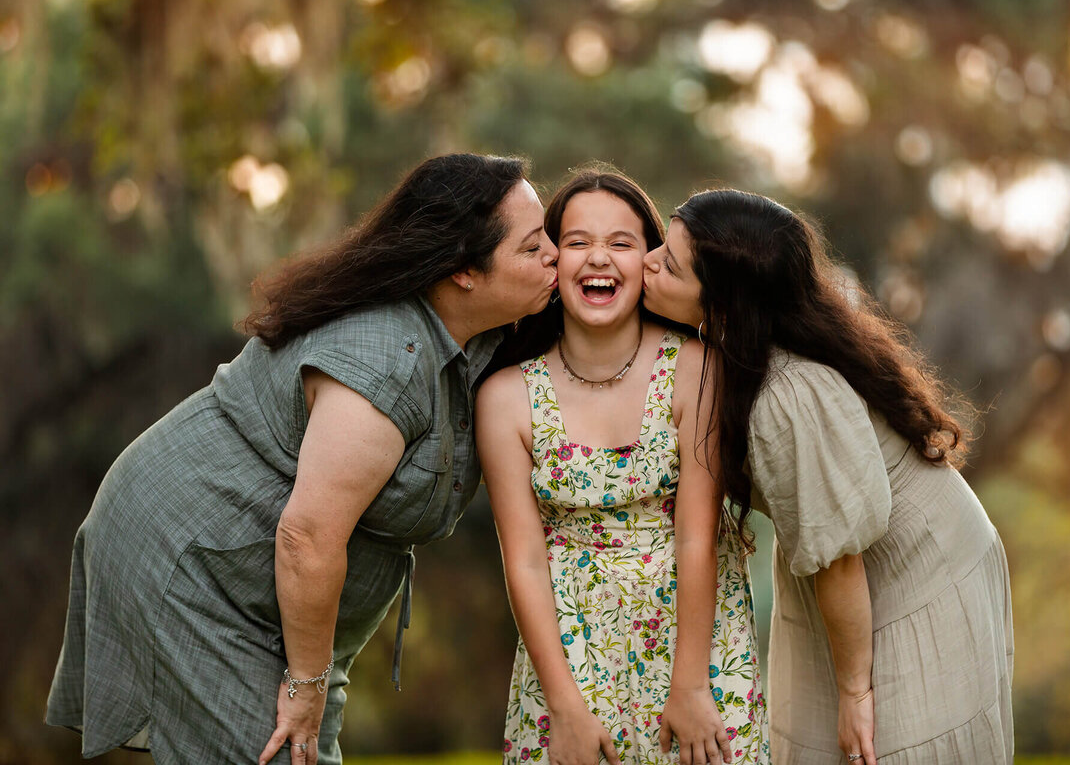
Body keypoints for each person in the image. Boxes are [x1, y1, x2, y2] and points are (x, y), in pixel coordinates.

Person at [45, 153, 559, 765]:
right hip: (196, 567)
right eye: (533, 249)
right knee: (276, 748)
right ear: (462, 271)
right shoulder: (384, 360)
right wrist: (306, 684)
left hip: (271, 593)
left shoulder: (475, 338)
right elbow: (307, 538)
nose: (556, 254)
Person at [642, 188, 1014, 765]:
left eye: (667, 263)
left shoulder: (787, 395)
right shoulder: (744, 352)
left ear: (722, 307)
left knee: (888, 746)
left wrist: (855, 692)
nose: (646, 261)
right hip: (855, 578)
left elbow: (839, 559)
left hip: (916, 572)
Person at [477, 170, 768, 765]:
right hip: (569, 657)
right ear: (552, 262)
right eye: (578, 242)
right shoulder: (506, 396)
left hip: (698, 647)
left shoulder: (696, 369)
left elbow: (696, 535)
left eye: (622, 242)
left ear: (649, 261)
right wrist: (562, 706)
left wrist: (690, 687)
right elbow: (525, 561)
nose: (598, 259)